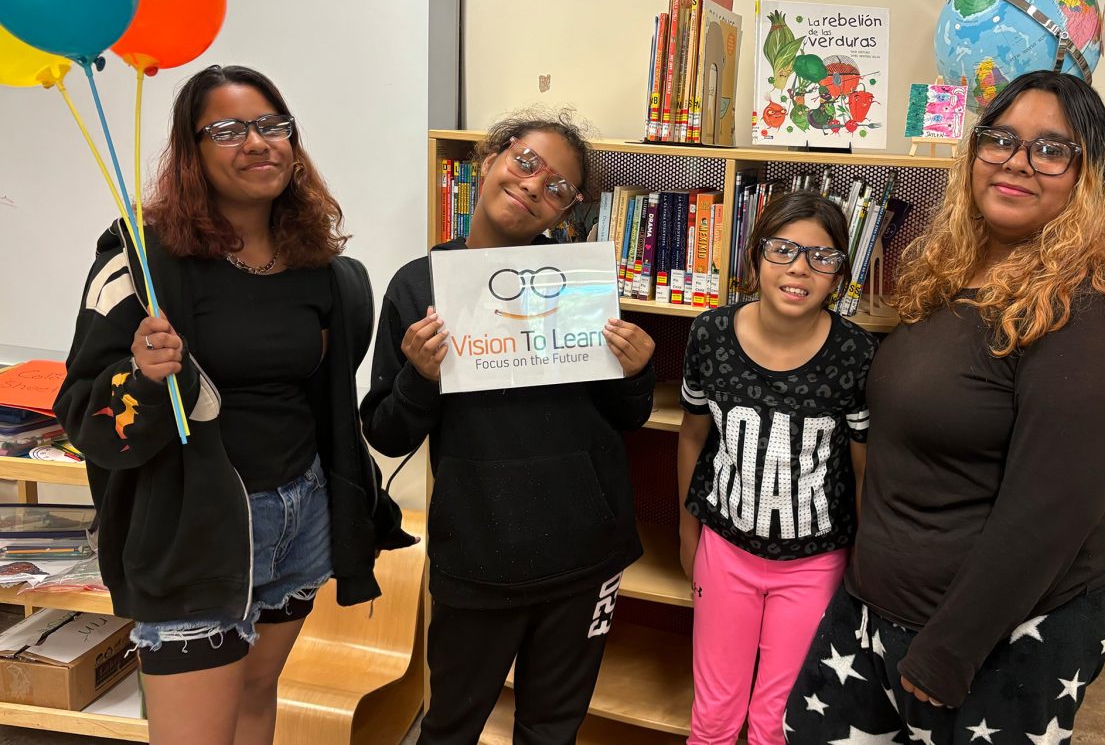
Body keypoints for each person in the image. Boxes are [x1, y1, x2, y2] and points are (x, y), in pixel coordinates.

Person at [784, 71, 1105, 743]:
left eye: (1052, 149)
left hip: (1002, 627)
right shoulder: (951, 272)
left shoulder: (1095, 316)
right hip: (880, 601)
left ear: (1091, 178)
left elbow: (1047, 516)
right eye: (1001, 140)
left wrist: (950, 651)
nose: (1018, 162)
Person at [54, 65, 414, 745]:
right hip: (195, 530)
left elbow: (325, 397)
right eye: (228, 129)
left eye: (272, 125)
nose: (257, 142)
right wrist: (144, 377)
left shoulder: (327, 270)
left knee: (255, 694)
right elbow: (86, 417)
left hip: (299, 516)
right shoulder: (140, 258)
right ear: (192, 151)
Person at [360, 111, 657, 744]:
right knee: (451, 727)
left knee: (552, 730)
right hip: (478, 555)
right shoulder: (419, 287)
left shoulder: (579, 282)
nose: (532, 186)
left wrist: (636, 372)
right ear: (490, 159)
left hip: (585, 556)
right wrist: (421, 376)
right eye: (525, 162)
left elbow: (626, 418)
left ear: (565, 212)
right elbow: (386, 433)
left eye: (558, 187)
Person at [677, 191, 876, 745]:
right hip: (725, 550)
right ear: (755, 256)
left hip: (814, 563)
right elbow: (693, 436)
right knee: (714, 718)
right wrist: (686, 530)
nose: (799, 268)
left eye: (822, 256)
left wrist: (860, 564)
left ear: (839, 273)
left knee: (778, 723)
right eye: (783, 249)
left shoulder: (857, 354)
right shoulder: (710, 335)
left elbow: (864, 470)